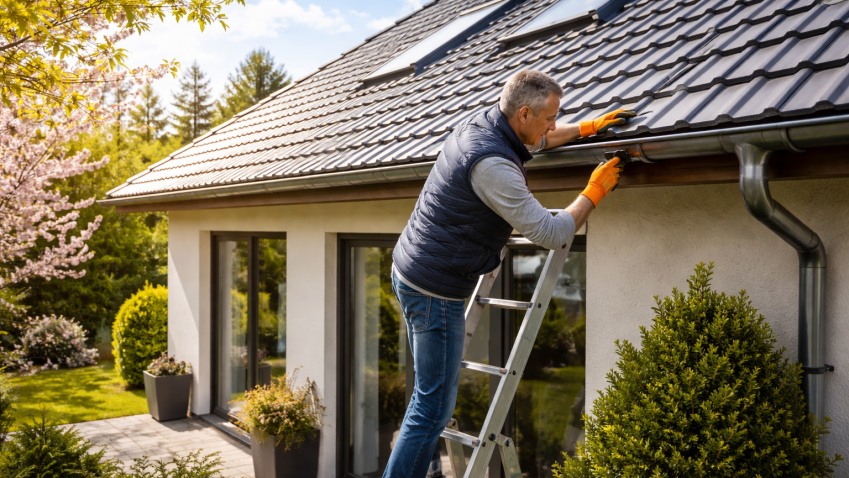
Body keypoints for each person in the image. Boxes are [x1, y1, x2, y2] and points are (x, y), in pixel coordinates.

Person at [385, 69, 635, 477]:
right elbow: (549, 232)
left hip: (413, 267)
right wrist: (594, 191)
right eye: (550, 116)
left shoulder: (486, 123)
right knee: (432, 410)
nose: (555, 124)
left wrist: (586, 128)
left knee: (426, 400)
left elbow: (539, 139)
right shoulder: (492, 165)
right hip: (435, 290)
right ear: (523, 113)